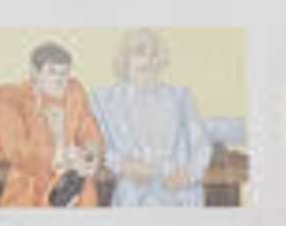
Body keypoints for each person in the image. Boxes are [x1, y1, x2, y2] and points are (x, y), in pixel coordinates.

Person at [91, 28, 212, 206]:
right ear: (125, 60)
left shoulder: (180, 97)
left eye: (154, 54)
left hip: (179, 194)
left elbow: (201, 144)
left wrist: (190, 174)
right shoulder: (103, 100)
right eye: (139, 53)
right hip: (133, 195)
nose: (148, 61)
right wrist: (123, 166)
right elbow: (97, 146)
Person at [0, 40, 107, 208]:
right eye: (52, 72)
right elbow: (16, 150)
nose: (59, 80)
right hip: (31, 187)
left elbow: (91, 133)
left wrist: (91, 158)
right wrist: (60, 156)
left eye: (64, 73)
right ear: (34, 73)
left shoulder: (75, 91)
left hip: (75, 187)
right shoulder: (9, 96)